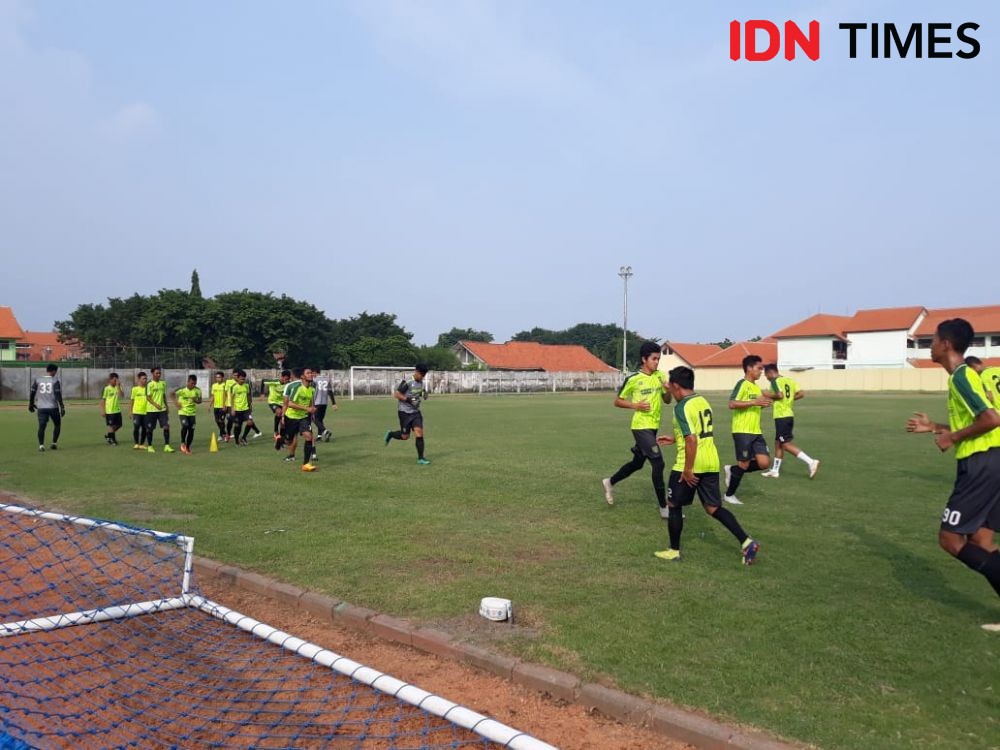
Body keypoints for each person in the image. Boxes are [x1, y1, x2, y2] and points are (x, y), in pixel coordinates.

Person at [906, 319, 1000, 633]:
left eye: (932, 340)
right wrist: (935, 428)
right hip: (993, 460)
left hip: (981, 464)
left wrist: (952, 438)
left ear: (946, 344)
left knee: (949, 538)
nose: (930, 346)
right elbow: (977, 421)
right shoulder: (965, 377)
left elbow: (990, 419)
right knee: (982, 540)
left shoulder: (961, 377)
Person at [654, 366, 760, 565]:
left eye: (671, 388)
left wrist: (687, 469)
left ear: (676, 386)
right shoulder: (702, 401)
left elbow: (692, 439)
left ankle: (673, 550)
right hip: (711, 462)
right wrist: (676, 438)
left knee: (673, 505)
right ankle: (747, 542)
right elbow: (699, 433)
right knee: (713, 508)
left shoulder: (681, 407)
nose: (671, 392)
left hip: (691, 463)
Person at [600, 342, 670, 507]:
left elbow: (667, 401)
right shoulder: (633, 379)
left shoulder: (660, 376)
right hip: (640, 427)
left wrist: (668, 390)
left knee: (637, 464)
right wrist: (635, 406)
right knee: (658, 463)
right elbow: (617, 401)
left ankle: (610, 482)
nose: (657, 362)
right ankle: (664, 507)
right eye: (654, 359)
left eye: (658, 359)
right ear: (644, 359)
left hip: (653, 427)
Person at [722, 355, 772, 505]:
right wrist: (754, 402)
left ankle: (732, 470)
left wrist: (761, 404)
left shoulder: (756, 387)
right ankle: (729, 495)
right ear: (749, 368)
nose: (761, 372)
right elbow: (732, 404)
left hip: (756, 431)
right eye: (759, 368)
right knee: (743, 464)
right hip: (742, 430)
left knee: (764, 463)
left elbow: (753, 404)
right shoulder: (742, 384)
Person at [760, 364, 820, 479]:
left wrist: (767, 394)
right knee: (778, 443)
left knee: (785, 444)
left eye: (766, 375)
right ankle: (775, 471)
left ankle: (811, 462)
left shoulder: (774, 381)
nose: (766, 378)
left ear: (770, 373)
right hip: (788, 416)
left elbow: (780, 395)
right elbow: (801, 393)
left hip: (782, 417)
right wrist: (789, 400)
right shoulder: (789, 380)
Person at [384, 363, 431, 465]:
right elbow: (396, 394)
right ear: (416, 371)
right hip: (404, 412)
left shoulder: (421, 381)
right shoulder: (408, 381)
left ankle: (421, 458)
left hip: (415, 412)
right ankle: (391, 434)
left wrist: (424, 393)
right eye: (421, 374)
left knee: (419, 433)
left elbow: (420, 391)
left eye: (424, 375)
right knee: (405, 436)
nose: (423, 377)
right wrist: (409, 400)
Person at [281, 367, 317, 471]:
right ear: (302, 376)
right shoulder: (297, 387)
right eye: (308, 373)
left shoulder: (313, 388)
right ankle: (283, 440)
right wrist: (307, 408)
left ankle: (305, 464)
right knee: (289, 441)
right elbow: (290, 403)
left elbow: (310, 402)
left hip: (304, 417)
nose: (311, 374)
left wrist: (312, 409)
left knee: (309, 437)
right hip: (291, 417)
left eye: (311, 373)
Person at [29, 364, 65, 452]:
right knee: (57, 424)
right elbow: (57, 394)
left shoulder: (38, 380)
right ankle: (54, 443)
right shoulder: (55, 381)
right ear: (53, 371)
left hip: (41, 407)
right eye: (55, 371)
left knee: (42, 426)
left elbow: (32, 392)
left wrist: (31, 404)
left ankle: (41, 445)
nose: (56, 373)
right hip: (53, 407)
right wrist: (62, 406)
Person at [144, 367, 173, 453]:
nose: (158, 375)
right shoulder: (149, 384)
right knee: (150, 429)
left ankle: (167, 446)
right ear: (152, 373)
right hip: (151, 410)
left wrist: (166, 406)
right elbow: (148, 397)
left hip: (162, 410)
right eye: (157, 373)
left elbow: (163, 396)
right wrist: (156, 405)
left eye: (159, 373)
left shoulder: (163, 383)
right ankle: (150, 446)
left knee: (166, 426)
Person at [173, 375, 202, 455]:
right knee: (185, 425)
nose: (193, 385)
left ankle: (188, 447)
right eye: (192, 383)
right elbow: (172, 394)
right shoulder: (182, 389)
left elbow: (200, 401)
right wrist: (176, 403)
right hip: (183, 411)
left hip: (192, 413)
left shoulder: (197, 390)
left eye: (195, 383)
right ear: (188, 382)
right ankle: (182, 442)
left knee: (191, 430)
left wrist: (195, 400)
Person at [263, 370, 291, 451]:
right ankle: (275, 430)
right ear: (281, 377)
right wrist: (262, 393)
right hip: (273, 402)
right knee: (279, 412)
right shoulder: (274, 381)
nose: (285, 381)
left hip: (283, 403)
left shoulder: (288, 384)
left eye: (287, 379)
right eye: (284, 379)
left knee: (283, 422)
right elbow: (263, 381)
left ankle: (280, 441)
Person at [229, 370, 259, 445]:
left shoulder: (246, 386)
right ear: (237, 378)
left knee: (250, 422)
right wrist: (232, 408)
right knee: (237, 427)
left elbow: (248, 396)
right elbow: (232, 398)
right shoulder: (234, 387)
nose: (243, 380)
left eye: (244, 379)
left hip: (246, 409)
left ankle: (243, 437)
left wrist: (250, 405)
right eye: (241, 379)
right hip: (237, 410)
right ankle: (236, 440)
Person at [311, 368, 337, 443]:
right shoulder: (327, 379)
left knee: (314, 419)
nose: (311, 375)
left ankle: (325, 431)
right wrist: (333, 403)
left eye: (312, 373)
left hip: (316, 402)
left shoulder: (314, 380)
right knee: (320, 419)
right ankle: (319, 436)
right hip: (324, 403)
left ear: (315, 372)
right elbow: (330, 392)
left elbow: (311, 393)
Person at [99, 372, 124, 446]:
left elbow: (121, 396)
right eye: (114, 380)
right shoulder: (106, 388)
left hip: (117, 410)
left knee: (119, 425)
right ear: (110, 380)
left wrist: (118, 386)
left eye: (116, 380)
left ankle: (109, 436)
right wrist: (103, 410)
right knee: (111, 425)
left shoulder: (118, 387)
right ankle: (113, 440)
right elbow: (103, 400)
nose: (115, 381)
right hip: (109, 411)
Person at [130, 372, 149, 449]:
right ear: (139, 379)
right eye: (143, 378)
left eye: (146, 378)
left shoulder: (148, 389)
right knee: (136, 427)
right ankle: (136, 443)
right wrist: (130, 411)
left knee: (145, 428)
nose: (145, 380)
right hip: (137, 412)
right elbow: (132, 401)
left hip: (146, 412)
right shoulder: (135, 389)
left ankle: (141, 444)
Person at [209, 371, 228, 441]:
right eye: (216, 377)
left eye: (219, 377)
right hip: (216, 406)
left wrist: (224, 405)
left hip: (222, 406)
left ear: (222, 378)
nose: (218, 379)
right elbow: (213, 396)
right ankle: (224, 434)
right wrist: (209, 405)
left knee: (221, 420)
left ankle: (221, 435)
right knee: (217, 421)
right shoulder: (214, 385)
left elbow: (226, 396)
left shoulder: (225, 385)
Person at [223, 368, 239, 442]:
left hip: (238, 405)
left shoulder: (241, 382)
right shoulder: (229, 382)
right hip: (229, 404)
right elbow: (225, 393)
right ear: (232, 375)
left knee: (237, 421)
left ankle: (236, 436)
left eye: (237, 375)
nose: (236, 377)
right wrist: (224, 404)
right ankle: (228, 434)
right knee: (230, 420)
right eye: (234, 375)